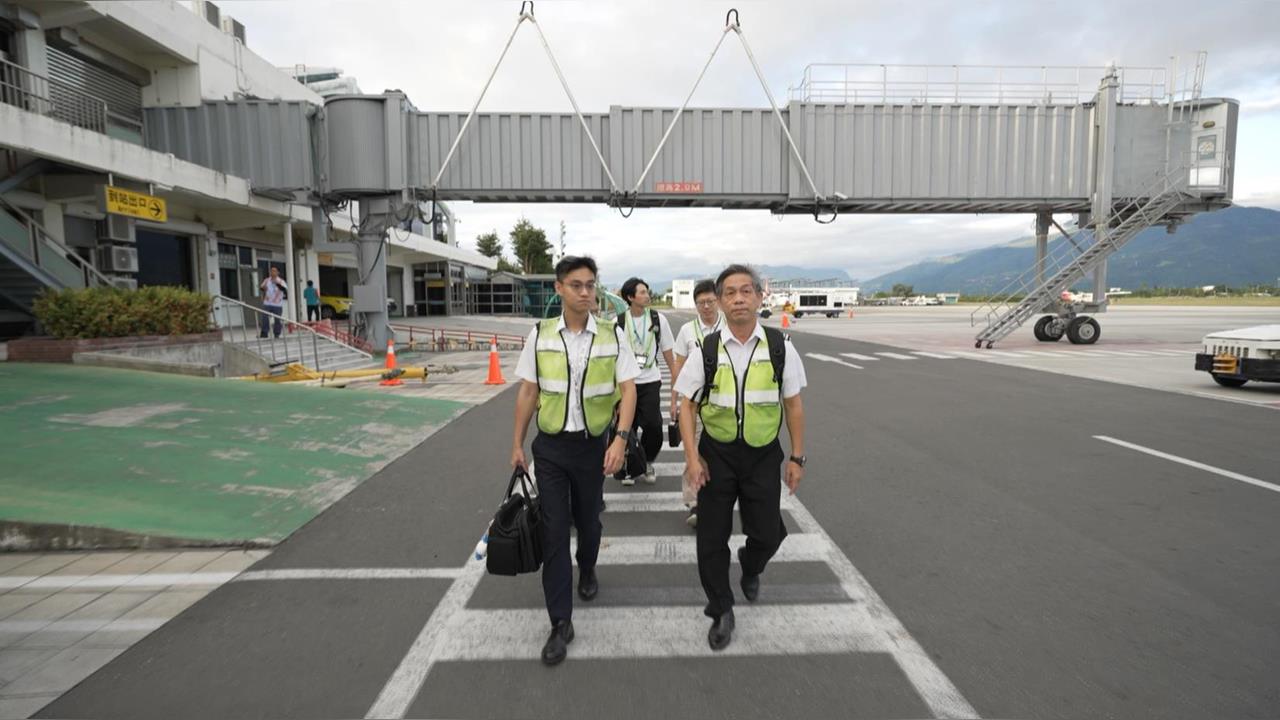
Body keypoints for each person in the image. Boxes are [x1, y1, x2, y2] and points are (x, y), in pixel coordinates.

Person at [511, 255, 639, 666]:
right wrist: (517, 443)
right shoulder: (540, 334)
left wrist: (620, 440)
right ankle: (560, 622)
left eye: (590, 285)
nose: (585, 293)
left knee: (588, 521)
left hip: (592, 446)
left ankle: (587, 566)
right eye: (576, 285)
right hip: (550, 448)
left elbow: (629, 389)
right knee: (553, 531)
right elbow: (528, 391)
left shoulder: (612, 335)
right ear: (559, 288)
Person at [674, 264, 807, 651]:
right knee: (710, 540)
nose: (738, 299)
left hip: (763, 455)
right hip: (716, 456)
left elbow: (793, 405)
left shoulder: (780, 347)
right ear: (719, 301)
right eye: (729, 293)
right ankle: (721, 609)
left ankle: (751, 564)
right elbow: (687, 406)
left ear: (759, 297)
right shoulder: (707, 350)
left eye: (746, 291)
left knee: (767, 534)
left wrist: (797, 458)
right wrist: (692, 458)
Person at [670, 279, 723, 528]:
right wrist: (674, 400)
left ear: (718, 301)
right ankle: (695, 503)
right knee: (694, 451)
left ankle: (716, 499)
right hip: (695, 402)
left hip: (724, 404)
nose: (706, 307)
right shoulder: (687, 331)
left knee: (721, 456)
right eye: (701, 302)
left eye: (710, 301)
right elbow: (678, 366)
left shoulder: (729, 327)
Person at [616, 277, 675, 486]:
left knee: (654, 426)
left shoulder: (658, 319)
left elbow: (667, 350)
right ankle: (628, 468)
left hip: (650, 380)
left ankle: (647, 461)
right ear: (630, 297)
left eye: (647, 291)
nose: (647, 295)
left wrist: (675, 377)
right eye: (642, 292)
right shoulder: (619, 322)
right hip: (626, 382)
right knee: (627, 426)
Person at [259, 266, 287, 338]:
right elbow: (261, 288)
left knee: (277, 319)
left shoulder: (281, 281)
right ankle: (264, 333)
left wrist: (277, 284)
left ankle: (277, 333)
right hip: (267, 302)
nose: (272, 272)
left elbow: (284, 289)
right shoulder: (266, 280)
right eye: (271, 271)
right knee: (265, 318)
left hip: (277, 304)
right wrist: (263, 288)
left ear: (278, 272)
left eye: (274, 271)